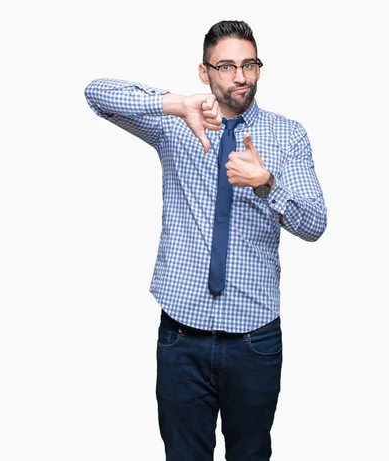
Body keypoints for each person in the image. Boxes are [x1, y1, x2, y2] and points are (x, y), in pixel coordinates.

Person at [84, 19, 327, 461]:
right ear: (204, 72)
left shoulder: (288, 135)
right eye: (227, 65)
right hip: (182, 338)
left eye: (249, 64)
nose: (240, 76)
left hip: (254, 340)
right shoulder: (174, 125)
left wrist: (266, 183)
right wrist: (175, 104)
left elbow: (314, 224)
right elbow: (97, 95)